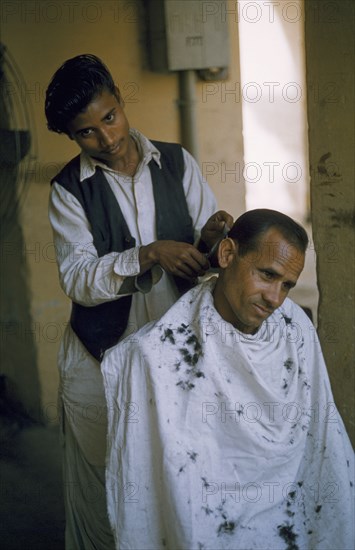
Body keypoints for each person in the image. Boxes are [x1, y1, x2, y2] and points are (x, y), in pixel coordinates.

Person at [45, 54, 233, 549]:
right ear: (71, 137)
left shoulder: (176, 162)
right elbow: (80, 280)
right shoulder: (68, 191)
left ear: (120, 102)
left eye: (109, 118)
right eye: (87, 132)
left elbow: (205, 254)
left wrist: (211, 239)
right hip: (104, 357)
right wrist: (147, 254)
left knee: (181, 471)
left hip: (177, 352)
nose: (106, 138)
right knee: (112, 478)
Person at [102, 209, 354, 550]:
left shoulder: (295, 329)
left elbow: (321, 438)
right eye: (267, 275)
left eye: (287, 286)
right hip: (208, 521)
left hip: (293, 512)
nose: (275, 299)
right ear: (227, 254)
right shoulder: (162, 350)